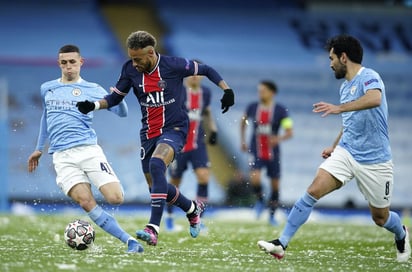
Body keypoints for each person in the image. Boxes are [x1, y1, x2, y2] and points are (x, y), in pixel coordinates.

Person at [257, 34, 411, 263]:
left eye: (332, 58)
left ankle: (402, 233)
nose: (330, 64)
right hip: (347, 152)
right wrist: (334, 146)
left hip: (375, 160)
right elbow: (349, 122)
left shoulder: (369, 76)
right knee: (312, 191)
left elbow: (374, 99)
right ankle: (281, 243)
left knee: (380, 218)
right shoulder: (344, 88)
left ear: (344, 57)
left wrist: (339, 108)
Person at [76, 30, 235, 246]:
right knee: (156, 188)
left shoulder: (174, 65)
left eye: (138, 58)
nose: (134, 63)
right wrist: (93, 106)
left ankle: (152, 228)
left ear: (151, 53)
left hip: (175, 129)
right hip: (148, 134)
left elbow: (205, 69)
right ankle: (192, 208)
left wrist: (227, 90)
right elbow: (114, 98)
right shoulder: (129, 69)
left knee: (157, 164)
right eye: (131, 58)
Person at [27, 45, 144, 253]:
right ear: (59, 64)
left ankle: (125, 237)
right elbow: (46, 117)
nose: (68, 66)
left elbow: (121, 113)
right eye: (64, 63)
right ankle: (129, 242)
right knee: (85, 201)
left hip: (89, 151)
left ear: (81, 62)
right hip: (62, 157)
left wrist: (118, 97)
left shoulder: (94, 89)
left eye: (72, 62)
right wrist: (39, 148)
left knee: (116, 198)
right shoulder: (47, 88)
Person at [165, 70, 218, 231]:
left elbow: (207, 112)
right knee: (175, 182)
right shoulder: (178, 90)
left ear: (202, 76)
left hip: (197, 144)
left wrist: (213, 130)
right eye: (192, 74)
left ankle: (198, 220)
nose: (195, 76)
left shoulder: (206, 93)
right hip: (179, 143)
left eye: (198, 74)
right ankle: (169, 217)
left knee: (203, 176)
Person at [240, 80, 293, 225]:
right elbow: (243, 121)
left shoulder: (281, 110)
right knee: (255, 177)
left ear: (272, 93)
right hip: (255, 150)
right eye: (259, 90)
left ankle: (272, 215)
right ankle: (260, 200)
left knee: (275, 185)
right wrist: (243, 141)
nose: (260, 93)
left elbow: (289, 132)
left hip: (273, 153)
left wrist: (279, 138)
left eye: (263, 90)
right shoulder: (252, 107)